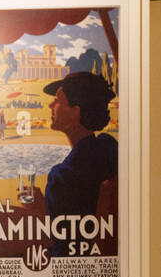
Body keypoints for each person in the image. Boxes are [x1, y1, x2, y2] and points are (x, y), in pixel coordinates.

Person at [17, 71, 118, 258]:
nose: (50, 104)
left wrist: (48, 204)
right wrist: (46, 205)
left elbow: (65, 249)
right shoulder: (108, 146)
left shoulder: (63, 177)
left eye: (58, 100)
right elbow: (82, 209)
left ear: (76, 112)